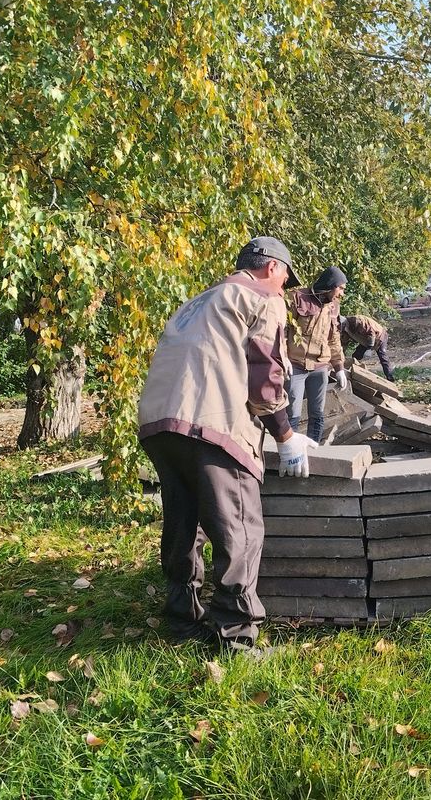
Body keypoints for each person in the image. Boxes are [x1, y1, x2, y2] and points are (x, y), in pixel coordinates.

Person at [136, 236, 317, 652]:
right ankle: (235, 636)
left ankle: (183, 619)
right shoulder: (260, 298)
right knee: (239, 528)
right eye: (286, 277)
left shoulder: (200, 301)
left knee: (185, 522)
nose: (285, 287)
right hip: (212, 423)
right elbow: (265, 373)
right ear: (272, 268)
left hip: (160, 423)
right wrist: (286, 436)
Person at [286, 266, 347, 442]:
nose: (341, 293)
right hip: (296, 365)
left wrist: (339, 367)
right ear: (331, 285)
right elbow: (281, 330)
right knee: (293, 414)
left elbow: (334, 338)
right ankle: (292, 453)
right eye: (340, 288)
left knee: (317, 413)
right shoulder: (298, 298)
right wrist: (283, 357)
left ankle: (314, 450)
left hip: (320, 367)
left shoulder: (334, 307)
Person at [340, 314, 394, 381]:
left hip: (379, 336)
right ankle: (355, 373)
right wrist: (341, 356)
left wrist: (369, 347)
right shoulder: (346, 328)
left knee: (382, 356)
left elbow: (371, 332)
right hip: (365, 340)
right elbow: (344, 342)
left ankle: (390, 377)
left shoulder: (358, 321)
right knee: (356, 356)